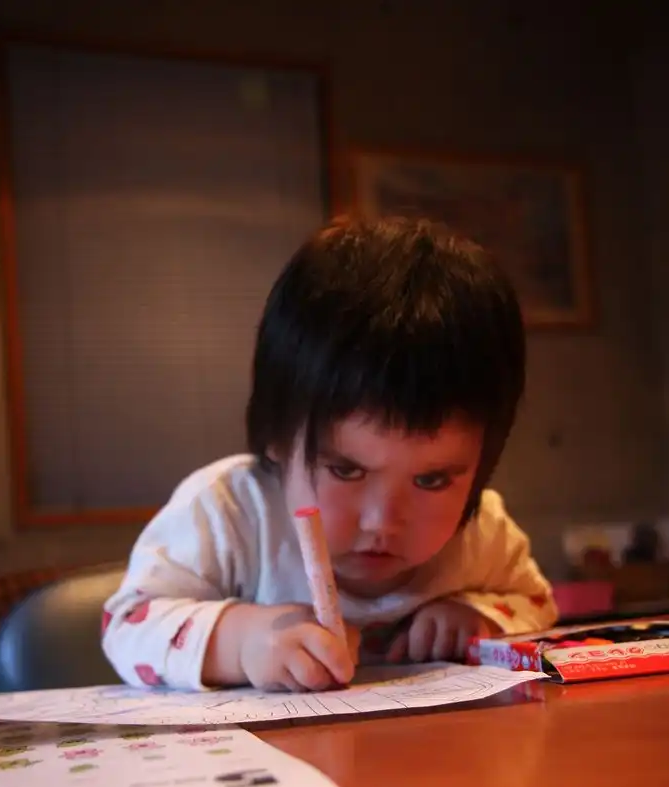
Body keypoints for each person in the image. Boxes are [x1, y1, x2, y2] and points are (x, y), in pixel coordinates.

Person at [102, 216, 557, 693]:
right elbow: (128, 624)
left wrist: (479, 616)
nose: (382, 521)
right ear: (277, 435)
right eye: (346, 469)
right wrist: (242, 641)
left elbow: (538, 603)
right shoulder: (229, 513)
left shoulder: (481, 533)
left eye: (432, 480)